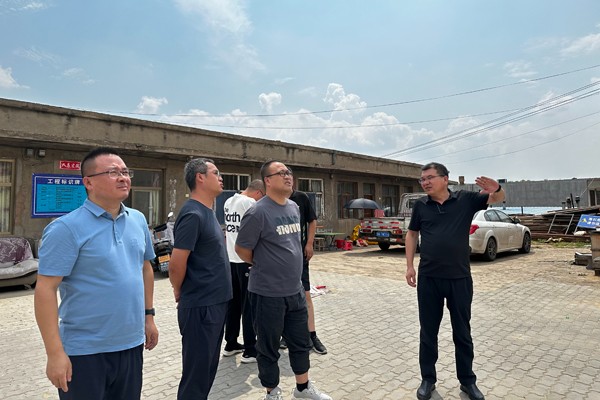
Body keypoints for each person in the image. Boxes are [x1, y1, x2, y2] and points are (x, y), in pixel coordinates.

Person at [34, 147, 158, 399]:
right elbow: (45, 289)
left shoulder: (137, 219)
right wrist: (55, 353)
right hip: (84, 351)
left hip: (131, 345)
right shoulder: (66, 228)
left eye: (125, 172)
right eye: (113, 172)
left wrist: (149, 316)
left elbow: (145, 268)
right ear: (88, 182)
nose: (123, 178)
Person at [405, 162, 505, 400]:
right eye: (422, 179)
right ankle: (428, 379)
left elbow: (497, 199)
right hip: (429, 278)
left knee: (462, 332)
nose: (425, 182)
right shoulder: (421, 205)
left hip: (459, 278)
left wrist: (498, 188)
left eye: (430, 177)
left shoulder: (465, 200)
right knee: (428, 332)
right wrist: (409, 266)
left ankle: (467, 381)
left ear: (445, 178)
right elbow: (412, 234)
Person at [235, 161, 332, 400]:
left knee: (300, 343)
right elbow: (242, 249)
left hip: (295, 290)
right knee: (268, 348)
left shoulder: (293, 207)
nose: (288, 176)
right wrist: (265, 263)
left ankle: (302, 388)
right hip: (267, 293)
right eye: (281, 173)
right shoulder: (257, 212)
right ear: (268, 181)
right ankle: (272, 392)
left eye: (289, 172)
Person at [168, 158, 233, 400]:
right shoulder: (193, 213)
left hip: (215, 303)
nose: (221, 178)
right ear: (200, 177)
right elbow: (176, 263)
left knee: (206, 372)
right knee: (196, 378)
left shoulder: (208, 212)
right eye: (216, 173)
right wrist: (178, 288)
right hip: (201, 306)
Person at [223, 179, 265, 362]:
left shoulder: (228, 202)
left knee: (233, 305)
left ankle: (230, 343)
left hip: (231, 259)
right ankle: (250, 349)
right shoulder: (250, 203)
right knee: (249, 306)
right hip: (245, 260)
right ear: (259, 193)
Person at [289, 189, 327, 355]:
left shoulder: (300, 198)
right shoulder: (271, 200)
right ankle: (286, 335)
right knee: (281, 297)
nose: (286, 178)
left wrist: (309, 243)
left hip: (300, 255)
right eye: (282, 176)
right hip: (280, 258)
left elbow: (312, 221)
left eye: (288, 176)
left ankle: (312, 335)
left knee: (305, 295)